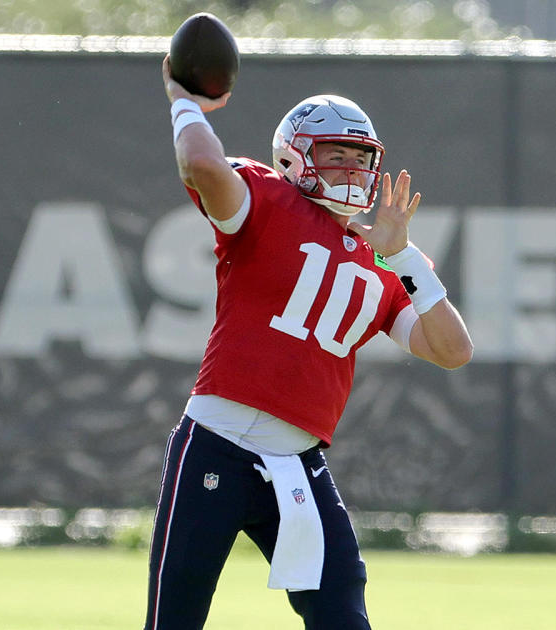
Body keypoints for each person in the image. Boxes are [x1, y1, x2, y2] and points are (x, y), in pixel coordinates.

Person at [145, 56, 473, 630]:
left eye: (360, 157)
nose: (351, 168)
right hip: (216, 444)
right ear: (295, 156)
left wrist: (404, 257)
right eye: (334, 154)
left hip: (298, 466)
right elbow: (200, 161)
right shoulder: (266, 200)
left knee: (343, 614)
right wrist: (185, 102)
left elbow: (452, 350)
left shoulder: (386, 262)